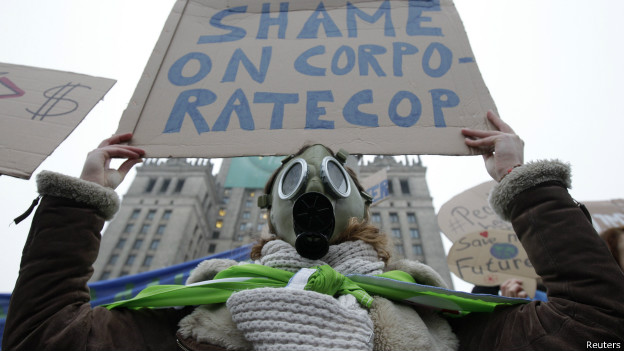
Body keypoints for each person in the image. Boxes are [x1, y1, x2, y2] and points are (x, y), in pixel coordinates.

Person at [3, 111, 624, 350]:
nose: (314, 185)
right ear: (265, 207)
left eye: (335, 174)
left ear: (366, 208)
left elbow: (596, 330)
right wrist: (81, 204)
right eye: (292, 178)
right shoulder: (197, 307)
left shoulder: (437, 314)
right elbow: (41, 341)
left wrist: (521, 182)